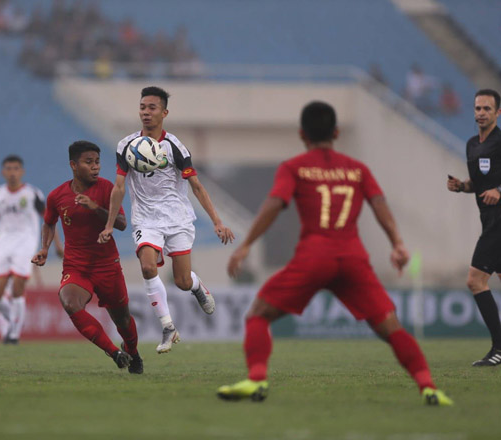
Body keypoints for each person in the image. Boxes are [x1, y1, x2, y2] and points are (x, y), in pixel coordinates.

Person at [218, 101, 453, 406]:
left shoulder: (294, 167)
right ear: (337, 132)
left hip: (314, 255)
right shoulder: (357, 170)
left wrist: (247, 243)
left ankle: (257, 379)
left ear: (303, 134)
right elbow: (379, 203)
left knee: (258, 315)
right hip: (353, 257)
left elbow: (275, 203)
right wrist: (397, 242)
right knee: (392, 328)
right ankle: (428, 387)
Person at [98, 86, 235, 353]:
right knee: (148, 268)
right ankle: (168, 327)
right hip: (146, 220)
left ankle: (197, 286)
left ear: (164, 112)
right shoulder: (126, 146)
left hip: (177, 219)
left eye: (152, 108)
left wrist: (217, 221)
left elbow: (196, 186)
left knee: (182, 281)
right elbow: (119, 187)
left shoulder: (174, 147)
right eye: (142, 107)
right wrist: (108, 225)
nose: (146, 112)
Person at [32, 141, 142, 373]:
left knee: (123, 320)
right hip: (77, 266)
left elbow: (122, 224)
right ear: (73, 165)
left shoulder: (106, 189)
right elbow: (49, 223)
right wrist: (44, 248)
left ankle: (133, 352)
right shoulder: (57, 196)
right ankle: (114, 352)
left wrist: (95, 208)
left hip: (107, 265)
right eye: (89, 162)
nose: (95, 167)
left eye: (98, 162)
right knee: (70, 302)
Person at [447, 89, 501, 367]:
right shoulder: (471, 145)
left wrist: (500, 190)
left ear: (498, 113)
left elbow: (495, 187)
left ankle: (498, 348)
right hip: (488, 219)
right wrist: (462, 186)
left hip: (498, 223)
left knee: (475, 280)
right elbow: (479, 184)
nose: (481, 113)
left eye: (487, 109)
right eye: (477, 108)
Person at [0, 155, 56, 344]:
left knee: (17, 287)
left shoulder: (32, 193)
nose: (12, 172)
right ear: (3, 172)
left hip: (25, 243)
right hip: (3, 245)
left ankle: (13, 334)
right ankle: (13, 318)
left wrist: (53, 245)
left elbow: (49, 219)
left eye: (16, 168)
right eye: (8, 169)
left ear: (22, 171)